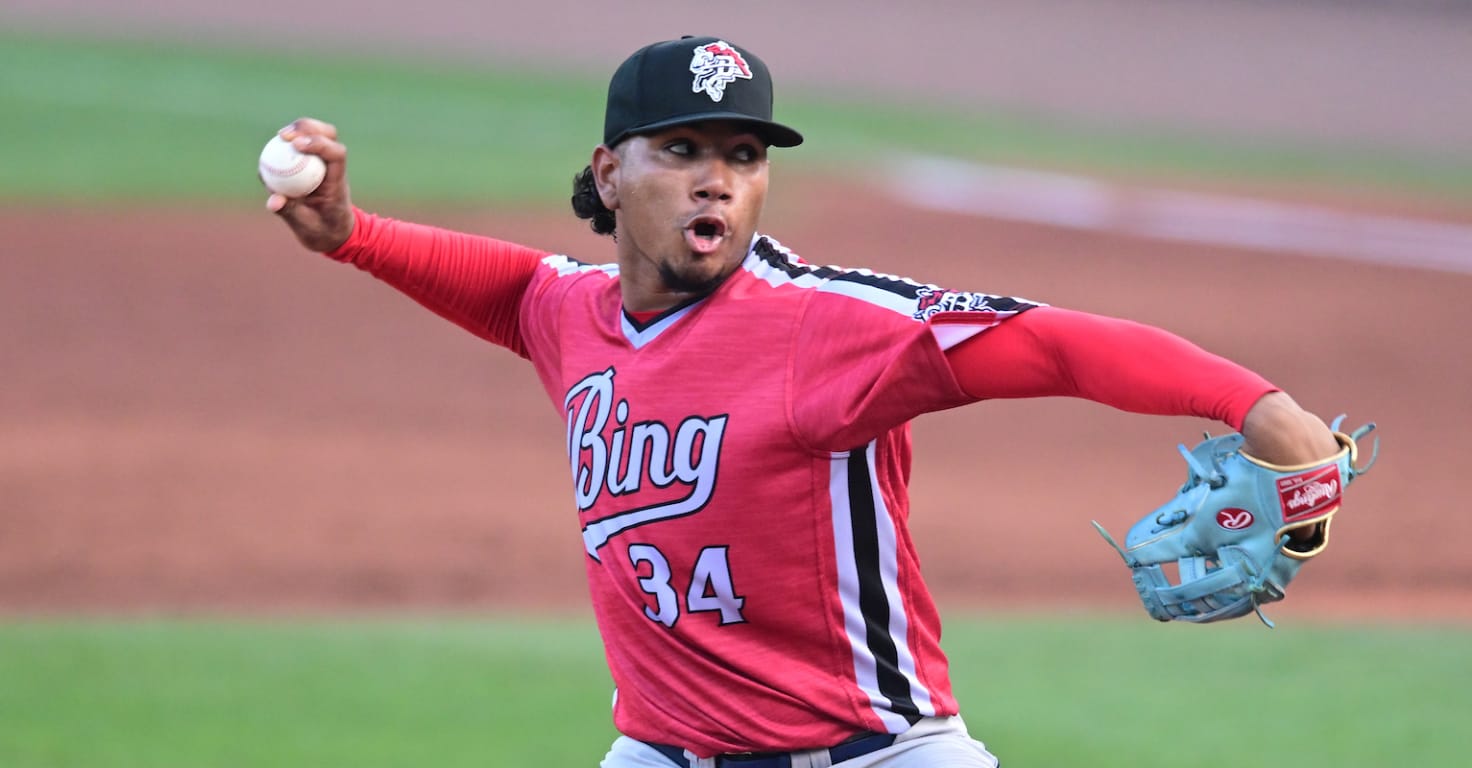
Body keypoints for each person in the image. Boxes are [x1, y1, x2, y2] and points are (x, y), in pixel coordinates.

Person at [266, 35, 1341, 768]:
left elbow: (1049, 343)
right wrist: (353, 236)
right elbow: (511, 287)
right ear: (607, 172)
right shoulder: (574, 315)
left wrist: (1261, 407)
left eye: (742, 156)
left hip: (874, 753)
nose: (717, 180)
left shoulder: (825, 326)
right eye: (682, 150)